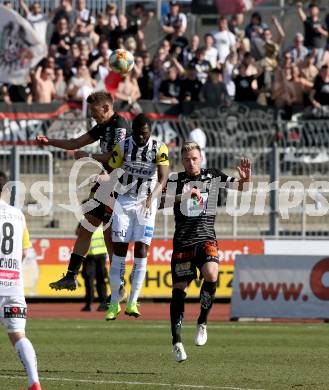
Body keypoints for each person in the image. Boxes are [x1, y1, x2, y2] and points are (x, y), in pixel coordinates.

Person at [36, 91, 129, 301]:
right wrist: (49, 141)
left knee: (108, 235)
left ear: (106, 107)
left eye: (95, 112)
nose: (93, 117)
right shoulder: (102, 126)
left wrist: (89, 156)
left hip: (120, 183)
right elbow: (75, 143)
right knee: (86, 227)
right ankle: (70, 276)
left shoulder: (119, 125)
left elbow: (118, 156)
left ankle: (120, 284)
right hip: (106, 181)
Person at [166, 142, 251, 362]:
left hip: (205, 238)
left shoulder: (212, 175)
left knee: (212, 274)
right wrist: (184, 196)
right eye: (187, 159)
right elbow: (160, 201)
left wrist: (245, 179)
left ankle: (202, 321)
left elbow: (240, 188)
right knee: (179, 289)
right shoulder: (176, 180)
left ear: (201, 158)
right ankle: (176, 341)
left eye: (194, 158)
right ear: (182, 161)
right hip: (183, 243)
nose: (191, 162)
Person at [105, 114, 169, 320]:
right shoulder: (123, 147)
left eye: (145, 133)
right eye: (139, 133)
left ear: (150, 132)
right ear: (133, 131)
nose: (142, 137)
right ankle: (114, 302)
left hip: (146, 202)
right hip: (124, 201)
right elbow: (112, 168)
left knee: (142, 249)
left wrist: (152, 196)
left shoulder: (160, 148)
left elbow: (164, 177)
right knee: (119, 251)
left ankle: (133, 301)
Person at [0, 172, 42, 390]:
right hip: (13, 285)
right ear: (5, 190)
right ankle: (34, 381)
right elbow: (25, 252)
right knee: (18, 335)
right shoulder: (18, 215)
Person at [79, 223, 108, 312]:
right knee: (101, 280)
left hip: (90, 256)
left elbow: (79, 233)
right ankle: (103, 303)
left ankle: (89, 304)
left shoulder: (86, 221)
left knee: (89, 280)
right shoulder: (104, 222)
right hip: (101, 254)